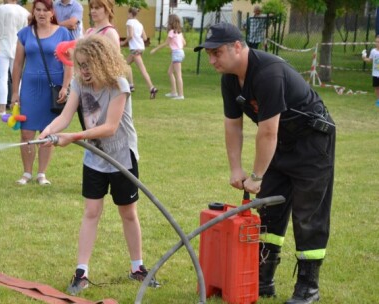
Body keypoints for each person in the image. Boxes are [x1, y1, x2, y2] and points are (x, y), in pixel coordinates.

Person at [195, 22, 335, 304]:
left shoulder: (268, 73)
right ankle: (264, 278)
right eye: (208, 53)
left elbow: (267, 131)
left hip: (311, 142)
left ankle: (309, 287)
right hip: (281, 144)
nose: (212, 60)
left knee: (308, 214)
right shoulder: (230, 79)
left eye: (216, 52)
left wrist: (256, 175)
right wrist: (236, 168)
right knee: (270, 209)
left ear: (237, 46)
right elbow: (233, 126)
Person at [38, 35, 160, 295]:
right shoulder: (80, 83)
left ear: (103, 61)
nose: (83, 70)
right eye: (80, 65)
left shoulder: (119, 85)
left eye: (88, 65)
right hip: (94, 158)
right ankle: (81, 272)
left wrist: (73, 137)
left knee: (128, 212)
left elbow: (109, 127)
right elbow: (65, 115)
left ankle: (137, 268)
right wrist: (47, 132)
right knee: (91, 211)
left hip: (121, 158)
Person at [11, 0, 73, 186]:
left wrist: (65, 86)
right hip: (30, 88)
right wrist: (15, 91)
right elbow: (17, 64)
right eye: (37, 10)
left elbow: (68, 62)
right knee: (26, 132)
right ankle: (27, 173)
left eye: (45, 10)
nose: (41, 13)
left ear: (52, 12)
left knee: (47, 133)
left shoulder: (63, 32)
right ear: (33, 12)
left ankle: (41, 173)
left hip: (52, 89)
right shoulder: (25, 33)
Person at [0, 0, 30, 115]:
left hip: (3, 44)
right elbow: (25, 30)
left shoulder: (2, 9)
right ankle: (19, 105)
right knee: (17, 77)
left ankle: (2, 108)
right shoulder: (25, 11)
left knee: (2, 77)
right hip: (17, 45)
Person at [121, 7, 157, 99]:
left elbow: (130, 35)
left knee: (142, 70)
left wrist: (123, 43)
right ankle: (131, 85)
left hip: (135, 49)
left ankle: (152, 88)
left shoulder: (129, 22)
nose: (127, 15)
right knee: (125, 65)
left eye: (127, 13)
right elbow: (145, 38)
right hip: (140, 48)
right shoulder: (139, 24)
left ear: (130, 13)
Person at [150, 14, 186, 100]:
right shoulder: (179, 32)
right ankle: (174, 92)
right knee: (170, 72)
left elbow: (166, 43)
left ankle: (180, 95)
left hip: (177, 53)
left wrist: (155, 49)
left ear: (171, 22)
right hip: (180, 52)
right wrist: (176, 47)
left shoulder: (171, 32)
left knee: (178, 75)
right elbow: (184, 43)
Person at [361, 35, 379, 107]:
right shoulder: (373, 51)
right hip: (375, 73)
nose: (377, 43)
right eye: (376, 42)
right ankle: (378, 100)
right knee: (377, 87)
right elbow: (370, 60)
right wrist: (364, 57)